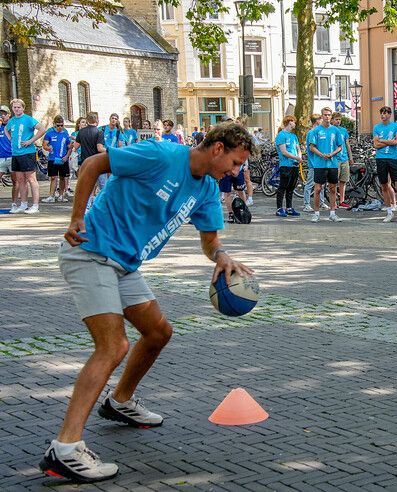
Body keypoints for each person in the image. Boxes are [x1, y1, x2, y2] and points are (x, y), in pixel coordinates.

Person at [39, 122, 255, 483]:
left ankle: (120, 401)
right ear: (217, 148)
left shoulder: (205, 188)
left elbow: (209, 240)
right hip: (90, 252)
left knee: (158, 332)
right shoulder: (160, 154)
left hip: (124, 264)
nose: (235, 172)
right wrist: (76, 216)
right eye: (235, 162)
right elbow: (93, 163)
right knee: (112, 346)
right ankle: (65, 448)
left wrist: (220, 255)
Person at [5, 98, 46, 214]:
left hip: (27, 153)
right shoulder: (12, 121)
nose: (16, 109)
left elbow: (42, 129)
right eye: (14, 107)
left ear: (23, 108)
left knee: (31, 179)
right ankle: (23, 204)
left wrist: (31, 140)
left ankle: (35, 205)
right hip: (15, 153)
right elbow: (6, 129)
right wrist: (10, 139)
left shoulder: (28, 119)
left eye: (18, 107)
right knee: (20, 179)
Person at [308, 107, 344, 223]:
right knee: (318, 189)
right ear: (322, 116)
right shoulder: (316, 131)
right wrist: (321, 154)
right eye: (325, 115)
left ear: (331, 116)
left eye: (329, 115)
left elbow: (340, 146)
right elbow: (312, 147)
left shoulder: (336, 130)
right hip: (319, 164)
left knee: (333, 188)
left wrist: (332, 154)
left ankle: (333, 213)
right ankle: (316, 213)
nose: (327, 117)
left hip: (333, 163)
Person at [373, 106, 397, 223]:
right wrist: (389, 142)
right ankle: (389, 212)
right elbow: (375, 145)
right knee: (384, 185)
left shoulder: (396, 126)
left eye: (385, 113)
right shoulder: (377, 127)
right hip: (381, 158)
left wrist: (382, 140)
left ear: (389, 114)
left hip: (393, 158)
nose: (383, 115)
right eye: (381, 113)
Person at [274, 115, 301, 217]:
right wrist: (296, 158)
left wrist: (298, 157)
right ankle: (279, 208)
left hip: (294, 165)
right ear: (290, 122)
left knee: (291, 187)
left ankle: (289, 207)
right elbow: (284, 152)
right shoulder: (281, 135)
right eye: (294, 122)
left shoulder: (294, 136)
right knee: (283, 186)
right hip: (286, 165)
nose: (295, 124)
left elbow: (298, 148)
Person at [42, 115, 73, 203]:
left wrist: (67, 156)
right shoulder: (49, 133)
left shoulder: (65, 134)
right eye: (58, 125)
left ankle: (61, 195)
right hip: (53, 158)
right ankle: (51, 196)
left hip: (63, 159)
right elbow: (44, 145)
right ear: (54, 124)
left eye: (61, 125)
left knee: (63, 178)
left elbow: (69, 146)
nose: (60, 127)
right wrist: (48, 148)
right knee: (53, 177)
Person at [303, 113, 327, 212]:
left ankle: (321, 202)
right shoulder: (312, 132)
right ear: (317, 121)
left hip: (320, 163)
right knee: (310, 184)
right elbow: (311, 147)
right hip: (314, 163)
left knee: (321, 184)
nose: (322, 120)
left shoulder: (318, 131)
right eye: (321, 119)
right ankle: (306, 204)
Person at [331, 112, 353, 209]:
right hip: (335, 158)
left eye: (339, 119)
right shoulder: (330, 130)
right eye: (336, 119)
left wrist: (350, 157)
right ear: (332, 120)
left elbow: (347, 144)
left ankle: (342, 201)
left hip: (344, 158)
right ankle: (334, 201)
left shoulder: (344, 130)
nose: (338, 121)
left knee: (343, 180)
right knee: (334, 181)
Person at [0, 104, 18, 210]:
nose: (2, 116)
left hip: (12, 156)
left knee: (15, 180)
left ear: (8, 115)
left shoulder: (12, 126)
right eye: (0, 114)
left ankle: (14, 204)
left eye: (4, 114)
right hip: (1, 157)